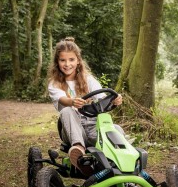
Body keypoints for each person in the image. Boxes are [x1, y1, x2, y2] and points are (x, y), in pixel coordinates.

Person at [47, 37, 123, 175]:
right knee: (67, 111)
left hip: (93, 127)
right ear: (57, 62)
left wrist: (113, 101)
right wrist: (72, 101)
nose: (67, 64)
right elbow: (63, 99)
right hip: (73, 129)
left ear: (78, 61)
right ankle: (78, 151)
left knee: (116, 128)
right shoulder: (54, 84)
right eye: (62, 60)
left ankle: (122, 167)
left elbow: (102, 98)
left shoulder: (88, 79)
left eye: (71, 60)